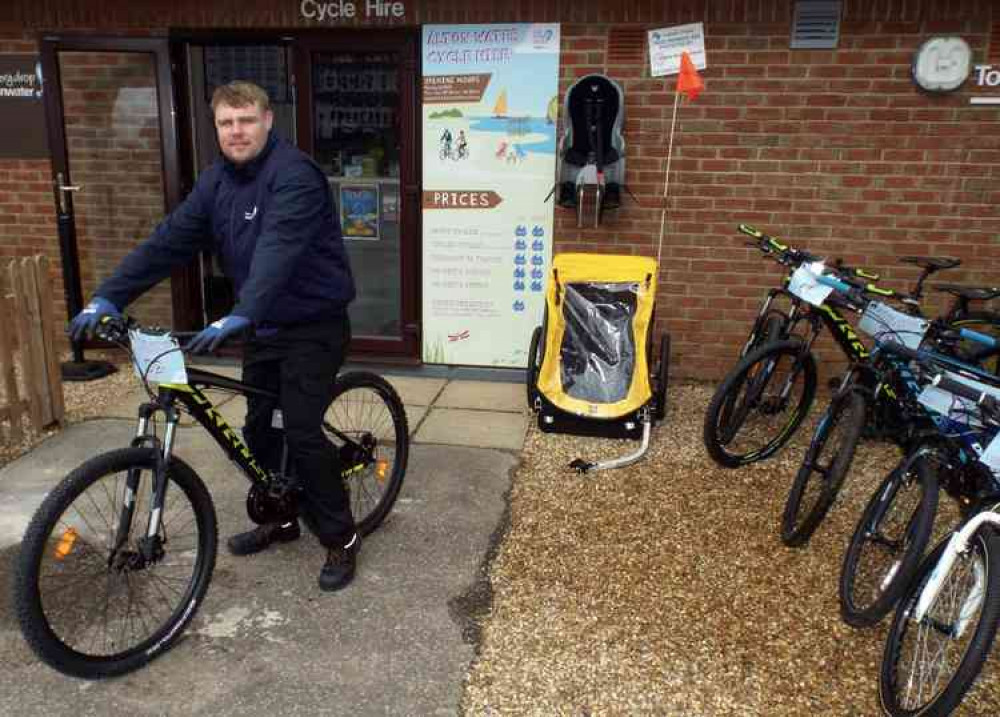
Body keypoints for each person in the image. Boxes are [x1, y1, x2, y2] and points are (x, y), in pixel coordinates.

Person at [69, 81, 360, 592]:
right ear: (217, 129)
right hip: (263, 327)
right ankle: (283, 517)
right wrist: (108, 296)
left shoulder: (295, 176)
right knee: (256, 430)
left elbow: (279, 249)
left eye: (246, 120)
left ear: (268, 120)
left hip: (312, 325)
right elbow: (168, 242)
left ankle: (341, 537)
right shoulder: (215, 183)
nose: (236, 131)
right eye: (226, 123)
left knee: (300, 430)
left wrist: (240, 311)